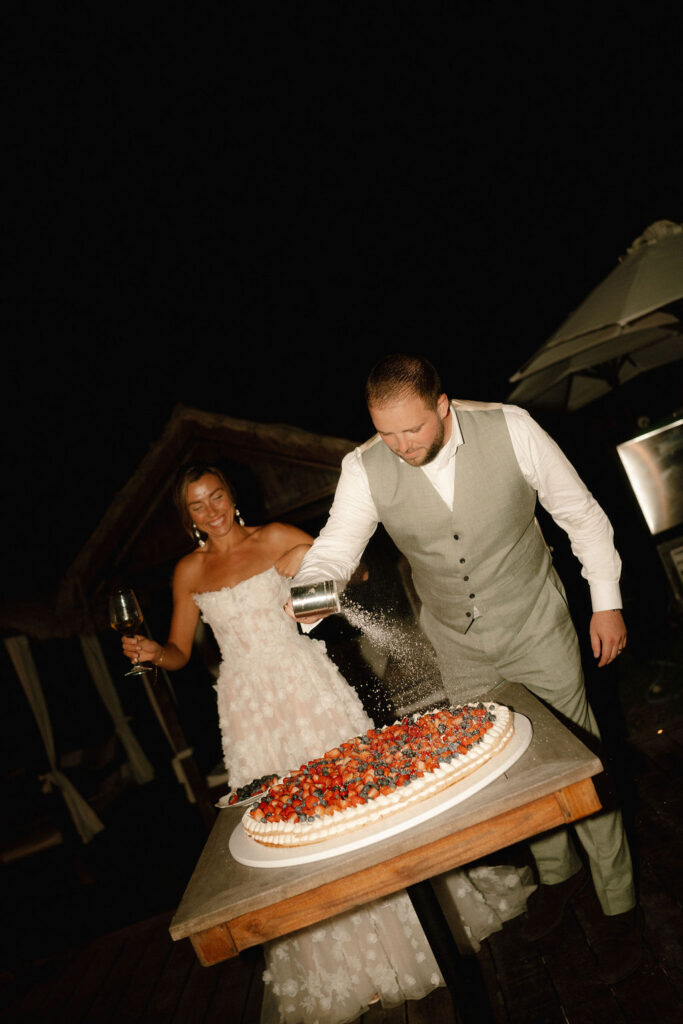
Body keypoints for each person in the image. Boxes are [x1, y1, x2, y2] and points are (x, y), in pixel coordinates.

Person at [289, 353, 642, 984]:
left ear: (442, 405)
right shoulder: (363, 467)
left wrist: (606, 603)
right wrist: (310, 594)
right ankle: (557, 877)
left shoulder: (512, 427)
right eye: (386, 433)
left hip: (536, 622)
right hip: (456, 642)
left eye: (413, 429)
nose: (401, 445)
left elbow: (582, 516)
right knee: (506, 762)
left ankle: (619, 903)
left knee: (579, 758)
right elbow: (337, 545)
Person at [121, 462, 444, 1024]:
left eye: (216, 496)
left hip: (306, 684)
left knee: (350, 803)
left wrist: (308, 555)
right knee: (282, 832)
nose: (211, 510)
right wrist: (153, 654)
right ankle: (339, 966)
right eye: (197, 505)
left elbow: (358, 572)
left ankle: (407, 938)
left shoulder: (273, 537)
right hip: (248, 710)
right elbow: (178, 651)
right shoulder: (189, 570)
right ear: (188, 517)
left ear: (231, 495)